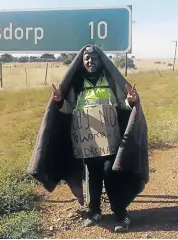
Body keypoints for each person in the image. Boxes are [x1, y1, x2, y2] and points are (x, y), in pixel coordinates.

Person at [50, 45, 141, 232]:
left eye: (94, 58)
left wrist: (130, 101)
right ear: (82, 62)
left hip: (111, 139)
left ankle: (121, 215)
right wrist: (59, 101)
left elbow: (123, 106)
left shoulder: (109, 79)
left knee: (110, 172)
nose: (91, 61)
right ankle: (94, 212)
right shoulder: (77, 83)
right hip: (88, 141)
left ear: (101, 61)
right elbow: (70, 109)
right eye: (87, 58)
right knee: (93, 174)